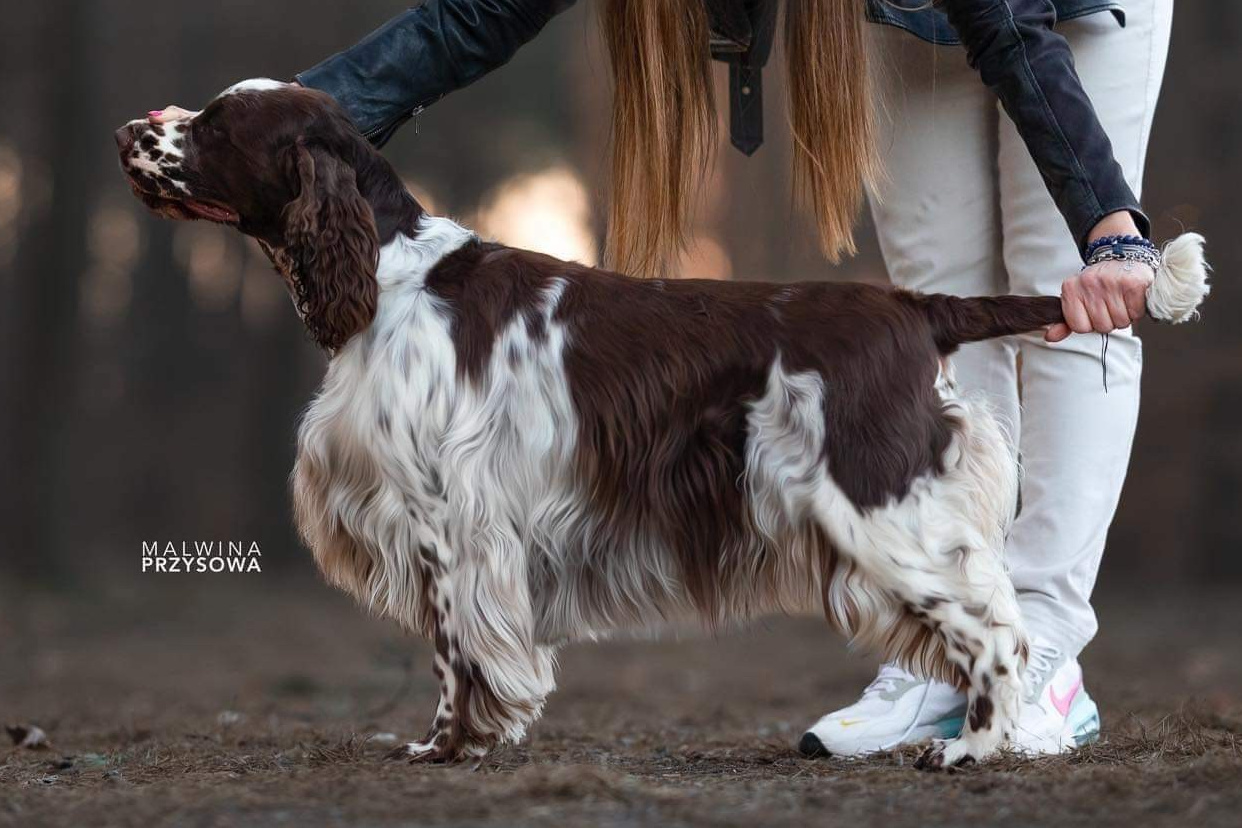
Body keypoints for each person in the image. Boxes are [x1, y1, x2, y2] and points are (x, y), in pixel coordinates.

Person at [288, 0, 1174, 756]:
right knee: (934, 297)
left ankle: (1045, 639)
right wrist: (281, 121)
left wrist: (1110, 223)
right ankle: (948, 652)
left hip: (1062, 8)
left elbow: (1009, 23)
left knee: (1066, 280)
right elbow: (472, 15)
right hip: (906, 16)